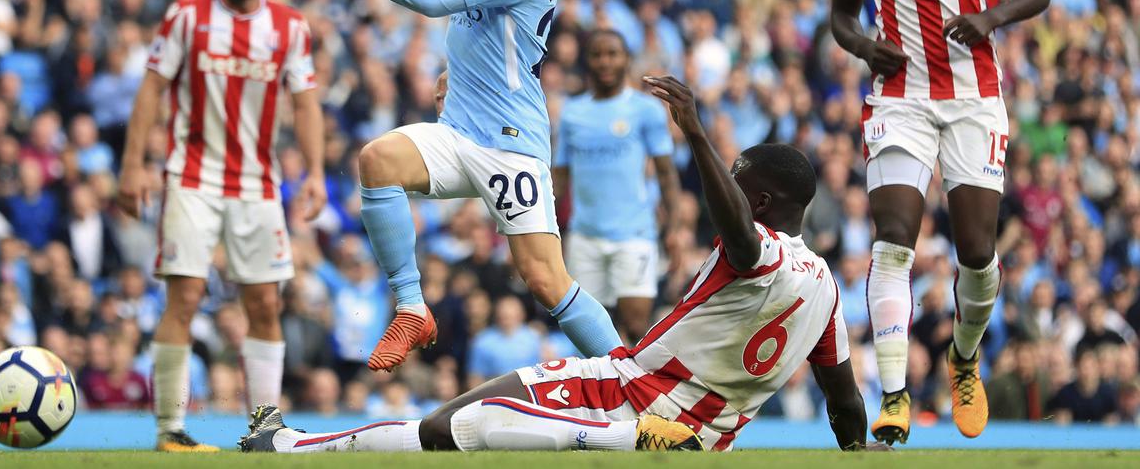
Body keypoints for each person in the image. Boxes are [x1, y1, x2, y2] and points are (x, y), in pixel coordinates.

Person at [238, 75, 883, 455]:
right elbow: (845, 401)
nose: (723, 188)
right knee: (440, 428)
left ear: (761, 200)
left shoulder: (760, 251)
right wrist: (855, 455)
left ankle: (628, 439)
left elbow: (741, 238)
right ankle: (291, 445)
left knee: (465, 423)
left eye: (735, 182)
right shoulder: (825, 291)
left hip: (641, 399)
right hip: (671, 409)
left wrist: (695, 133)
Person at [310, 0, 619, 370]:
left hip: (510, 145)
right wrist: (455, 70)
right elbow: (495, 29)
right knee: (377, 160)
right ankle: (411, 307)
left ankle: (633, 377)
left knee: (546, 280)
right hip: (458, 131)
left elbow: (435, 0)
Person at [828, 0, 1050, 444]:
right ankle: (893, 395)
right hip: (898, 98)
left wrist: (989, 19)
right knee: (892, 236)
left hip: (974, 96)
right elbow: (841, 15)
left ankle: (963, 358)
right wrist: (865, 46)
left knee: (977, 251)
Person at [116, 0, 327, 452]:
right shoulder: (187, 15)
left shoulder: (289, 27)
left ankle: (265, 427)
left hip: (258, 183)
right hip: (191, 177)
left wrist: (318, 173)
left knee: (264, 305)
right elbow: (151, 88)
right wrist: (133, 164)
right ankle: (170, 430)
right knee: (183, 295)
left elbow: (305, 104)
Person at [552, 29, 682, 343]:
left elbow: (666, 173)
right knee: (588, 335)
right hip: (585, 238)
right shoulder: (572, 113)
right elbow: (559, 177)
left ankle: (634, 392)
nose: (605, 62)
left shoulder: (645, 110)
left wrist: (676, 227)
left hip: (634, 235)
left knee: (637, 329)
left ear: (626, 59)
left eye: (613, 54)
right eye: (597, 55)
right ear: (587, 61)